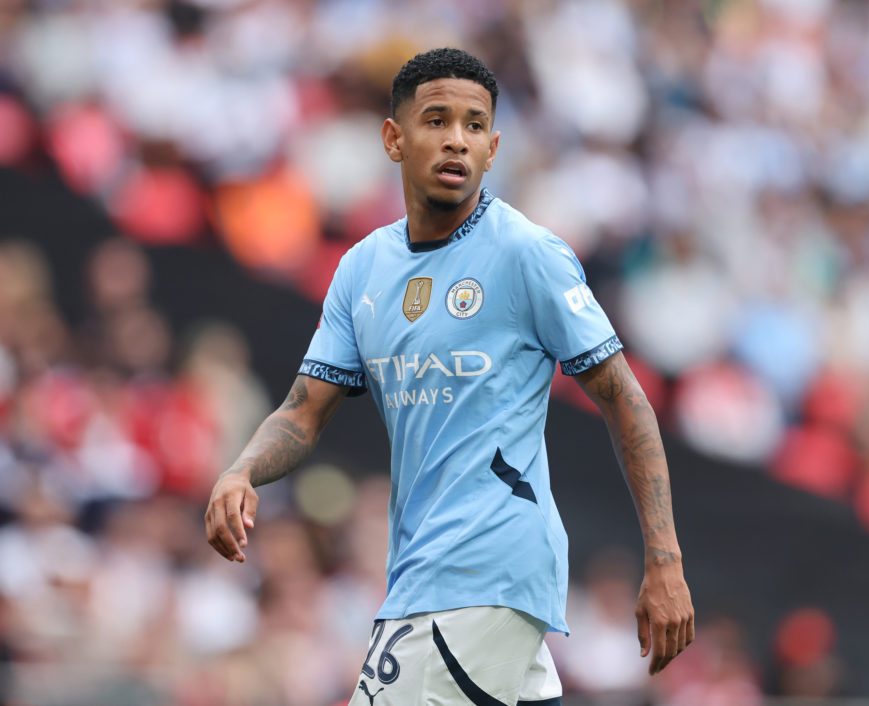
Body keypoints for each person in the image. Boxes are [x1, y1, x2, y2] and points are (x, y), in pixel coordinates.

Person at [205, 47, 694, 705]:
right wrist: (241, 470)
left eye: (473, 125)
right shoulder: (362, 271)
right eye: (436, 120)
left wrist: (665, 558)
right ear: (394, 138)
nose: (456, 139)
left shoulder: (526, 255)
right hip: (428, 573)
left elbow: (624, 398)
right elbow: (302, 410)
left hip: (478, 570)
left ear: (493, 149)